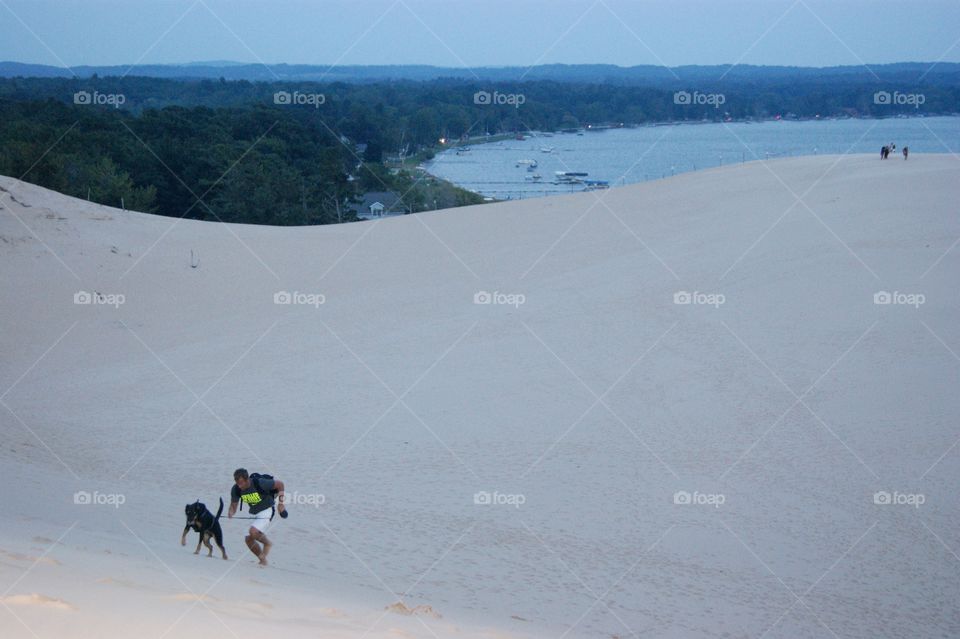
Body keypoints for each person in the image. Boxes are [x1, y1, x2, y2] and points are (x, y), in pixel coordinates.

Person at [229, 468, 286, 566]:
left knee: (253, 532)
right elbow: (234, 505)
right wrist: (231, 512)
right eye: (237, 483)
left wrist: (281, 504)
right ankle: (262, 560)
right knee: (248, 539)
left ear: (247, 479)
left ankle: (267, 543)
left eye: (241, 483)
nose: (239, 485)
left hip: (267, 510)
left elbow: (280, 484)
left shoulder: (260, 483)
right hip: (254, 513)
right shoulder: (236, 489)